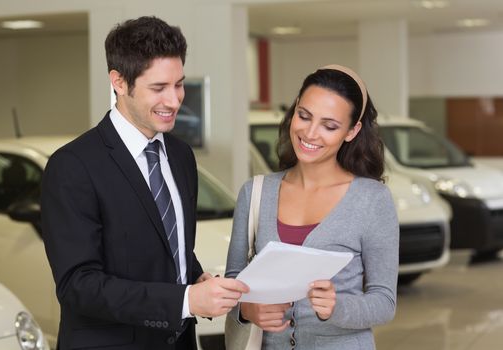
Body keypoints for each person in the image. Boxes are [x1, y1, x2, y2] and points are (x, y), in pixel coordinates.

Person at [41, 16, 248, 350]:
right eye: (158, 88)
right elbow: (78, 285)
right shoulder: (72, 166)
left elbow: (171, 246)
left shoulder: (181, 156)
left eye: (178, 84)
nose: (175, 100)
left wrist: (196, 278)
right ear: (119, 82)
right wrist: (185, 301)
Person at [226, 64, 399, 349]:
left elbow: (384, 301)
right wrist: (247, 310)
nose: (310, 133)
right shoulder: (255, 192)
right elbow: (233, 281)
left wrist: (336, 307)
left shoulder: (372, 199)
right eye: (304, 116)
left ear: (352, 130)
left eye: (329, 126)